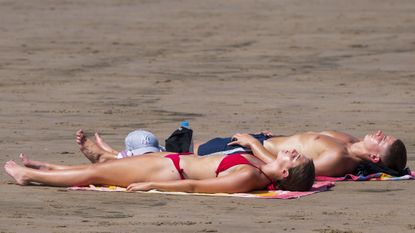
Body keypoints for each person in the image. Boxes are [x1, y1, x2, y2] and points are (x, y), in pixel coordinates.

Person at [4, 139, 315, 192]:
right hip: (171, 161)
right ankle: (48, 168)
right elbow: (260, 152)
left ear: (284, 172)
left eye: (294, 156)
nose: (291, 150)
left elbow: (195, 186)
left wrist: (154, 185)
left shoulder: (249, 176)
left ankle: (27, 175)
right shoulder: (261, 166)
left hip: (168, 171)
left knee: (94, 174)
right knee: (100, 171)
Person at [194, 130, 407, 177]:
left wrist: (252, 144)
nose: (380, 133)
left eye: (383, 140)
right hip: (261, 140)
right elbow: (304, 142)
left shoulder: (338, 159)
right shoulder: (350, 141)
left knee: (188, 153)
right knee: (191, 146)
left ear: (375, 157)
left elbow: (289, 168)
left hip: (251, 150)